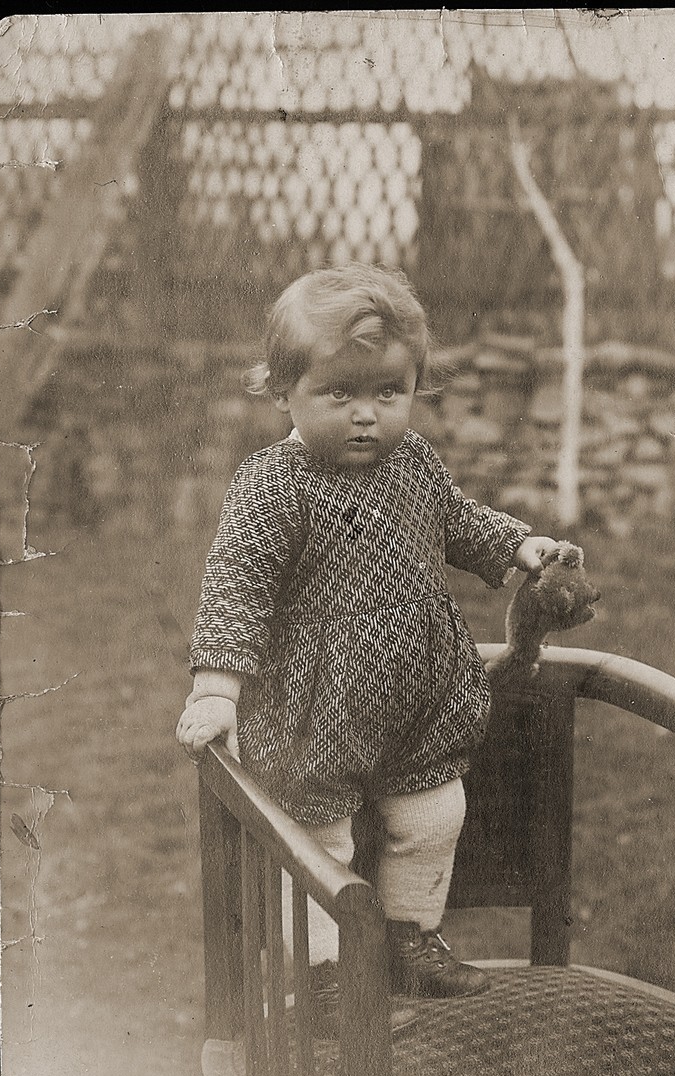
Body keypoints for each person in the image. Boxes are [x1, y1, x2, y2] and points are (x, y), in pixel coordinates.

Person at [176, 263, 561, 1033]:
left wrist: (518, 545)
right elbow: (235, 590)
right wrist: (217, 688)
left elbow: (454, 519)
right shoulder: (273, 486)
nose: (365, 416)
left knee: (432, 817)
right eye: (338, 395)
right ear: (283, 390)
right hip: (314, 711)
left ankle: (412, 940)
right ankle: (321, 975)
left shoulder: (413, 462)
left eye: (388, 394)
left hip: (419, 704)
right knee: (321, 844)